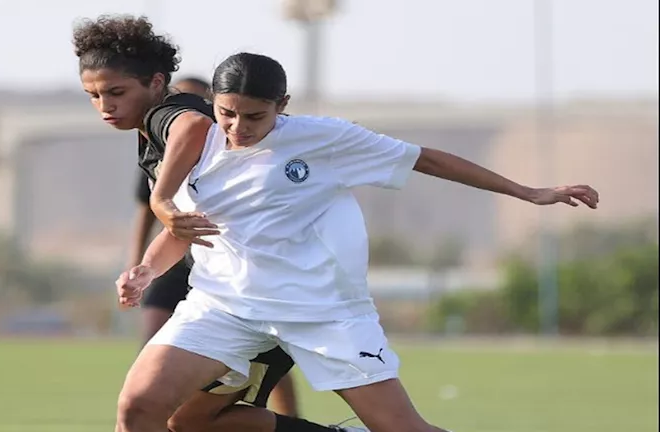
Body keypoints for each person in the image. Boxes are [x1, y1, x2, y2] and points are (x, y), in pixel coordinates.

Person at [115, 52, 600, 432]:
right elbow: (184, 227)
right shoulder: (196, 144)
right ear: (213, 103)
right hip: (223, 308)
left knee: (401, 428)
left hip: (321, 312)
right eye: (227, 114)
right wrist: (147, 270)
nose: (238, 128)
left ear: (282, 105)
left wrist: (526, 191)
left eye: (255, 117)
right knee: (147, 411)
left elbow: (427, 159)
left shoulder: (324, 139)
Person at [74, 15, 356, 432]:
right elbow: (178, 216)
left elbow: (192, 126)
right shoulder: (152, 130)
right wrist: (144, 265)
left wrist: (160, 199)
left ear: (156, 83)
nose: (104, 105)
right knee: (181, 419)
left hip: (268, 293)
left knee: (165, 415)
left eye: (116, 92)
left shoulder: (167, 114)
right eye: (93, 95)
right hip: (220, 280)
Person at [127, 75, 301, 419]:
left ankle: (287, 414)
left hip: (232, 265)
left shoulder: (233, 147)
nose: (181, 117)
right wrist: (138, 263)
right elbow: (149, 208)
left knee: (255, 359)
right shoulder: (159, 148)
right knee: (153, 348)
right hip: (178, 257)